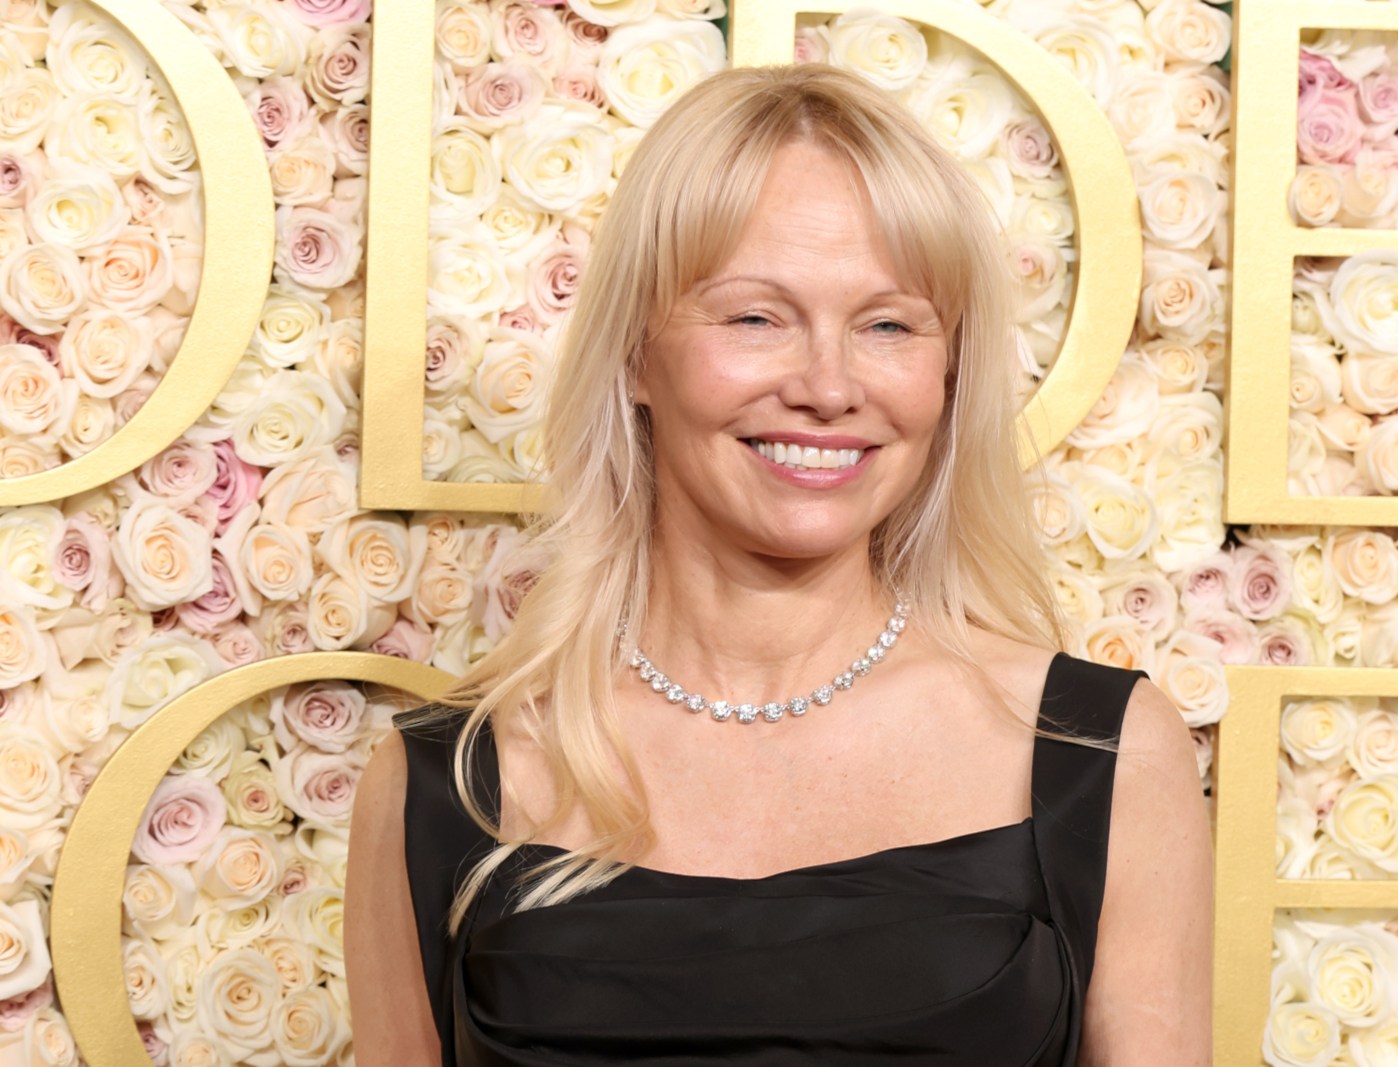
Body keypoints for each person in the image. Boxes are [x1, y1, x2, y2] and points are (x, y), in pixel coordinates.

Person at [348, 62, 1212, 1066]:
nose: (828, 387)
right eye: (755, 317)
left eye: (887, 325)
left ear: (946, 373)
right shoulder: (440, 786)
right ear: (633, 353)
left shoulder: (1100, 752)